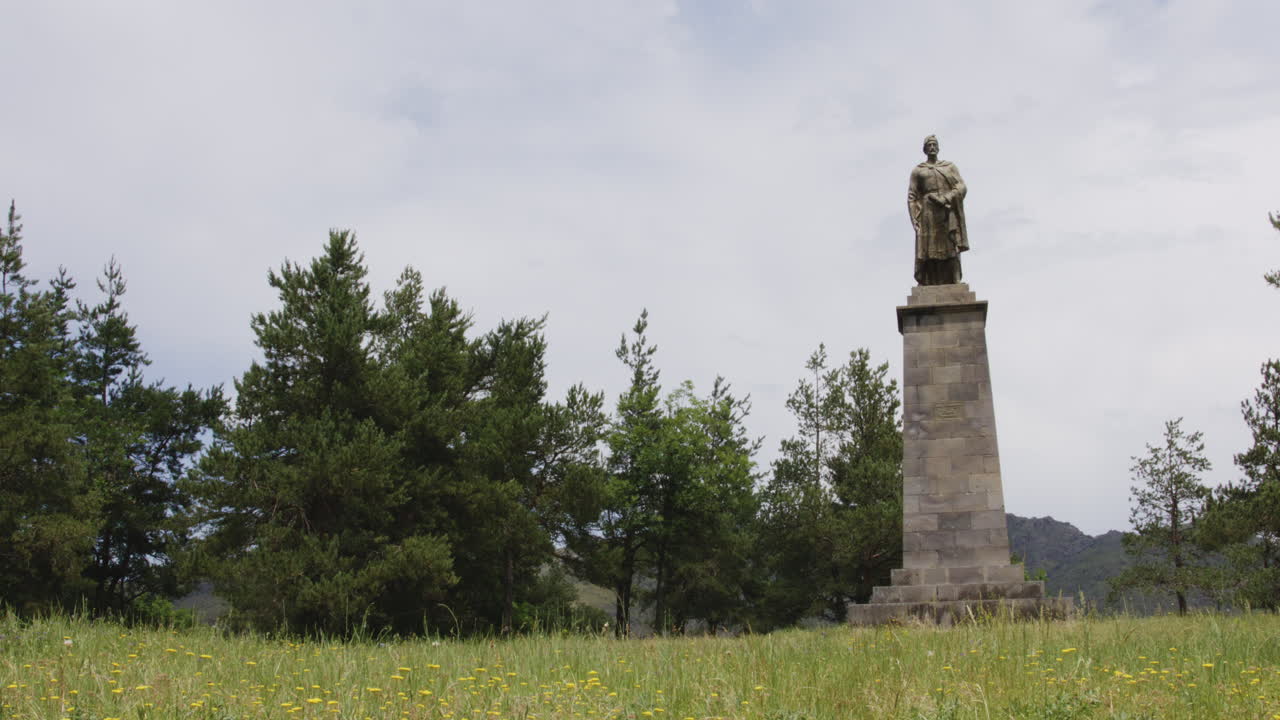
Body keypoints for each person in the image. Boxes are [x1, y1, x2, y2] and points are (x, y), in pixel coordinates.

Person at [907, 135, 969, 285]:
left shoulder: (949, 167)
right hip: (928, 212)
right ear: (925, 149)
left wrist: (947, 198)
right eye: (929, 145)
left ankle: (954, 279)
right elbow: (912, 196)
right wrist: (914, 219)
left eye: (934, 145)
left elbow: (961, 186)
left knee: (950, 243)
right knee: (929, 248)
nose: (932, 147)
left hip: (946, 211)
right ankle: (929, 281)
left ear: (938, 147)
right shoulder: (918, 171)